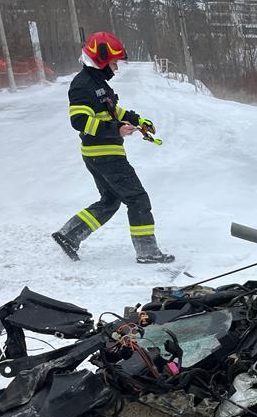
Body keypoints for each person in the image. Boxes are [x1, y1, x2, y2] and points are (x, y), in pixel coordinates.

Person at [52, 32, 173, 264]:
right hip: (104, 154)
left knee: (110, 201)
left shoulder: (98, 84)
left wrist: (138, 121)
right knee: (137, 199)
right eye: (113, 63)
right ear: (100, 60)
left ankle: (69, 235)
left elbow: (112, 112)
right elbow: (79, 120)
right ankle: (147, 252)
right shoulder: (82, 85)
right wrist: (115, 130)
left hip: (101, 154)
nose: (116, 68)